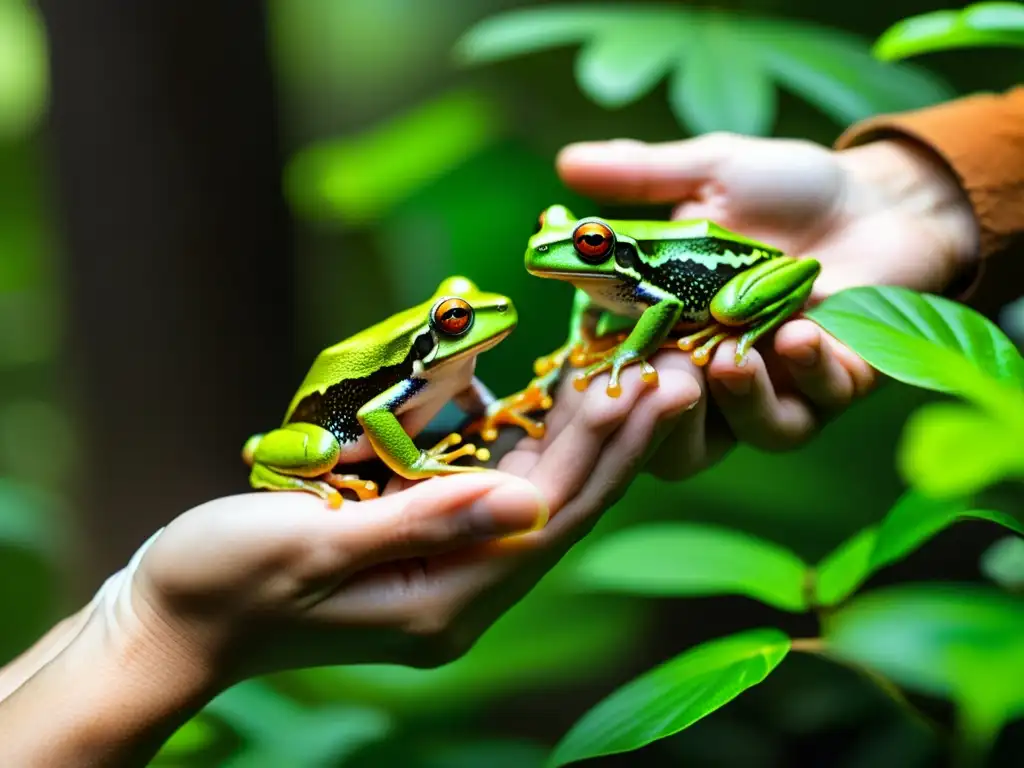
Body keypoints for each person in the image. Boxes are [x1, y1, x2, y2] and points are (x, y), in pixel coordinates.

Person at [1, 86, 1021, 766]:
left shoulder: (535, 323)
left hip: (732, 280)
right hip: (335, 431)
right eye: (460, 321)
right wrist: (154, 627)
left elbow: (610, 327)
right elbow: (399, 422)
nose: (490, 311)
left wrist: (919, 198)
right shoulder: (434, 368)